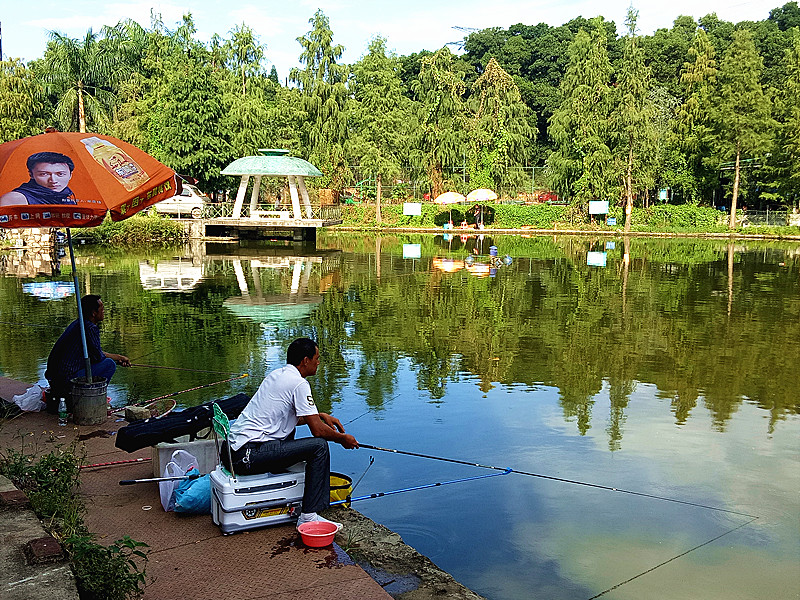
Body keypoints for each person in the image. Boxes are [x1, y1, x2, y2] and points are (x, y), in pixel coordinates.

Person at [223, 337, 358, 530]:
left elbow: (289, 417)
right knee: (319, 447)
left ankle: (289, 490)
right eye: (317, 358)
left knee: (291, 432)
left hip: (231, 452)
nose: (318, 362)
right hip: (247, 456)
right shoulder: (299, 384)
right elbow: (318, 431)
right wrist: (342, 438)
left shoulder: (278, 375)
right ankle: (309, 516)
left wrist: (319, 415)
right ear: (305, 360)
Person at [45, 295, 130, 402]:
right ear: (93, 313)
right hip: (66, 381)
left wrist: (118, 358)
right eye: (102, 309)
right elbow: (98, 357)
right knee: (109, 365)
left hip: (54, 380)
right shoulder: (90, 328)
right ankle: (92, 400)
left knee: (109, 362)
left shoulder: (78, 324)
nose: (104, 312)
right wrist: (117, 359)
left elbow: (95, 353)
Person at [0, 152, 78, 206]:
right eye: (44, 174)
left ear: (70, 175)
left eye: (60, 174)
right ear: (31, 175)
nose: (53, 180)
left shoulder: (68, 201)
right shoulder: (15, 199)